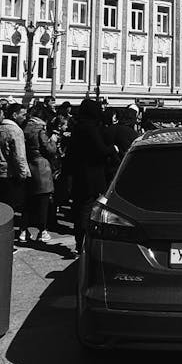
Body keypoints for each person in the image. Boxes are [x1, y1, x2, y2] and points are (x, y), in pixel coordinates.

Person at [67, 99, 116, 255]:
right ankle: (85, 243)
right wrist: (112, 149)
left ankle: (78, 242)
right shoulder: (92, 128)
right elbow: (100, 150)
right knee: (89, 210)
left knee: (79, 208)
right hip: (93, 176)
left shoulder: (77, 127)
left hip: (78, 174)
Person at [0, 102, 31, 245]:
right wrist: (24, 173)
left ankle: (0, 236)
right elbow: (19, 155)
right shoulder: (15, 131)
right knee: (15, 208)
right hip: (12, 174)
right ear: (15, 115)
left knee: (1, 208)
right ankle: (10, 239)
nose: (25, 117)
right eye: (23, 114)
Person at [23, 104, 56, 243]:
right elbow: (49, 149)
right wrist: (53, 141)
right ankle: (42, 231)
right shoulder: (41, 130)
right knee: (43, 202)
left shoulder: (25, 128)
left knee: (28, 202)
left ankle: (23, 231)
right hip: (41, 167)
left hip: (28, 164)